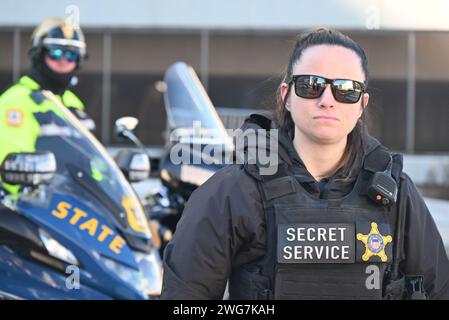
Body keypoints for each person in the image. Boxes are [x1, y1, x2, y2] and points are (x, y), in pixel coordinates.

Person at [161, 28, 449, 300]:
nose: (327, 100)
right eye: (311, 85)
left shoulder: (395, 193)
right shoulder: (233, 192)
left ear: (361, 104)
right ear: (286, 96)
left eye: (346, 89)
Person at [0, 17, 94, 193]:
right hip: (36, 207)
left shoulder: (73, 104)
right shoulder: (17, 101)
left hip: (77, 205)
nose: (63, 60)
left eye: (71, 54)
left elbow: (92, 162)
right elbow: (12, 171)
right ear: (39, 53)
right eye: (55, 52)